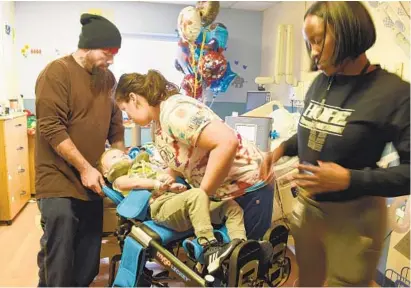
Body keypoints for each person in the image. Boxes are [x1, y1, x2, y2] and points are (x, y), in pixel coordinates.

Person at [260, 1, 410, 286]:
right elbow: (315, 131)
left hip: (353, 220)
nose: (313, 52)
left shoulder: (395, 94)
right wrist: (280, 150)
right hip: (309, 210)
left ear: (349, 33)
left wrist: (348, 179)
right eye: (309, 43)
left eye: (318, 40)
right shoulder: (321, 83)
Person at [113, 70, 275, 264]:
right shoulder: (158, 124)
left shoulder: (175, 113)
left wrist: (202, 197)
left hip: (247, 189)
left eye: (126, 109)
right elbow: (185, 155)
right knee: (225, 266)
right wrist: (169, 175)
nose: (127, 116)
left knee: (241, 266)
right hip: (224, 192)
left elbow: (226, 142)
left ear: (133, 98)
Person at [35, 13, 124, 287]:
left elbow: (115, 121)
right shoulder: (57, 73)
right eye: (106, 52)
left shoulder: (107, 79)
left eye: (114, 54)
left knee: (87, 261)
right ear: (87, 46)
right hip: (57, 179)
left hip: (92, 181)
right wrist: (84, 167)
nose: (111, 60)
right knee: (59, 259)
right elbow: (51, 127)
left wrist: (118, 156)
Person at [97, 148, 247, 273]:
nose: (121, 155)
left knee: (230, 206)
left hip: (181, 205)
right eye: (114, 157)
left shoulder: (145, 168)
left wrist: (171, 185)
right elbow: (135, 183)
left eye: (122, 153)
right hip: (161, 209)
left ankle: (239, 249)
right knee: (198, 194)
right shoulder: (120, 180)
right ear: (106, 172)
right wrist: (156, 183)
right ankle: (209, 247)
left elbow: (164, 184)